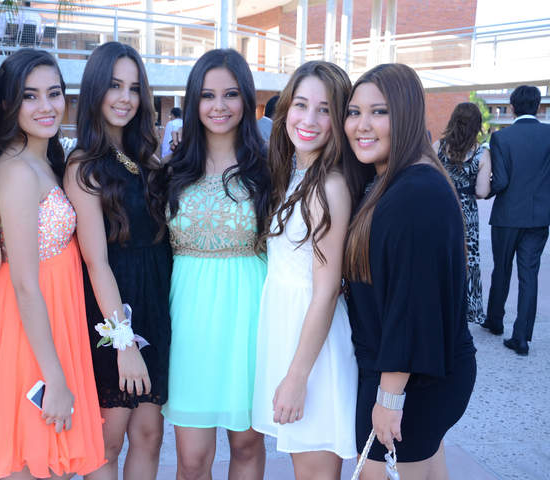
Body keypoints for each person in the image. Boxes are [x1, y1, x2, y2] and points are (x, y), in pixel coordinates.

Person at [0, 49, 105, 479]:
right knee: (32, 456)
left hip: (57, 319)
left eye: (53, 93)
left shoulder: (44, 159)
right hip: (29, 328)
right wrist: (54, 378)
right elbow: (24, 282)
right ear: (10, 103)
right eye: (30, 96)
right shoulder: (17, 171)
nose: (46, 106)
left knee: (53, 459)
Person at [343, 63, 476, 479]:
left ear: (406, 115)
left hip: (409, 382)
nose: (362, 125)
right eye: (354, 112)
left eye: (379, 112)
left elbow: (412, 305)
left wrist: (389, 398)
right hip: (419, 374)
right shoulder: (404, 180)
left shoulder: (415, 192)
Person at [64, 42, 172, 480]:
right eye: (114, 86)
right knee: (107, 442)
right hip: (113, 314)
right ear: (95, 90)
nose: (125, 98)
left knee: (149, 435)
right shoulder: (83, 166)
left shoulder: (145, 159)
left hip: (154, 305)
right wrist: (125, 344)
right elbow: (96, 263)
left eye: (133, 87)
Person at [163, 49, 271, 480]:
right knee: (192, 460)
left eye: (230, 94)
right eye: (208, 95)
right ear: (194, 101)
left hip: (250, 319)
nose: (219, 106)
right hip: (189, 323)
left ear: (246, 99)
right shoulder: (171, 171)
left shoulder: (269, 171)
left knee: (246, 444)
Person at [252, 61, 357, 479]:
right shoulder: (297, 175)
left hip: (313, 350)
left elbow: (326, 291)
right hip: (290, 334)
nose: (309, 119)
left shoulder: (328, 186)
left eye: (324, 109)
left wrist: (297, 377)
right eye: (300, 105)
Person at [482, 85, 550, 356]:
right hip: (539, 217)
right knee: (529, 274)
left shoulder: (501, 138)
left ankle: (495, 321)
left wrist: (483, 192)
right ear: (538, 106)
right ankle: (521, 338)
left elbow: (500, 181)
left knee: (501, 268)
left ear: (511, 108)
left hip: (507, 216)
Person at [434, 102, 491, 325]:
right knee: (469, 259)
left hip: (440, 207)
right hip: (466, 212)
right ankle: (469, 310)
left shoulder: (438, 147)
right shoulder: (482, 153)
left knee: (439, 256)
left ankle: (438, 304)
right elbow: (482, 192)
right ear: (477, 125)